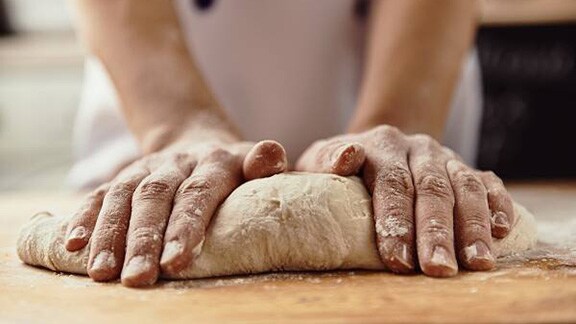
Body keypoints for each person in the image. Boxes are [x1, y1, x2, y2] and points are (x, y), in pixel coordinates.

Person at [64, 0, 515, 287]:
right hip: (153, 135)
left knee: (412, 208)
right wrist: (178, 128)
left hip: (402, 157)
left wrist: (394, 121)